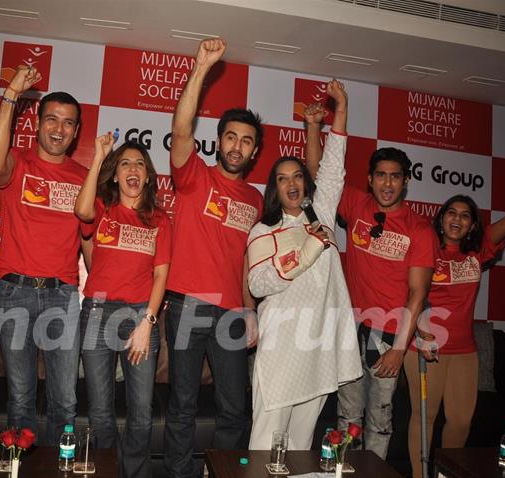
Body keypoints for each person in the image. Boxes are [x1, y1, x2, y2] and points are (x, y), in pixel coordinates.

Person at [405, 163, 505, 478]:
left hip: (465, 350)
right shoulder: (426, 247)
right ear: (441, 219)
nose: (458, 219)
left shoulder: (477, 252)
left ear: (471, 226)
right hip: (426, 346)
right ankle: (418, 475)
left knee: (461, 421)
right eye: (452, 212)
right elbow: (413, 293)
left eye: (466, 215)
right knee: (425, 418)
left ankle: (445, 472)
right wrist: (422, 331)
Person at [306, 115, 436, 460]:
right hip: (350, 328)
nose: (387, 183)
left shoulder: (419, 229)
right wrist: (312, 128)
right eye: (381, 175)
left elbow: (418, 294)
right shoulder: (357, 205)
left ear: (406, 181)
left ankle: (372, 471)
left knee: (379, 419)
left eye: (395, 176)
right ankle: (345, 469)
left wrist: (399, 348)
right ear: (370, 179)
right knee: (348, 414)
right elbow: (321, 173)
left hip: (389, 334)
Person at [164, 38, 262, 478]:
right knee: (182, 405)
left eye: (246, 141)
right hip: (185, 302)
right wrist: (201, 68)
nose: (238, 146)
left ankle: (219, 473)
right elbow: (181, 130)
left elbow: (249, 263)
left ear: (255, 152)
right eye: (231, 137)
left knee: (234, 410)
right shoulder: (194, 177)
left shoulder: (258, 200)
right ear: (219, 141)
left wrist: (252, 311)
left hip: (232, 314)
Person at [246, 81, 361, 450]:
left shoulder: (321, 213)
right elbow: (259, 284)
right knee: (266, 441)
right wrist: (306, 251)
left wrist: (339, 109)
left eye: (297, 175)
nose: (292, 183)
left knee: (299, 444)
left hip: (318, 345)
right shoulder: (264, 230)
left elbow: (333, 167)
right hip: (282, 347)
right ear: (274, 189)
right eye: (282, 179)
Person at [0, 65, 87, 445]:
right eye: (52, 120)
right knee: (21, 398)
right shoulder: (18, 163)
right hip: (15, 291)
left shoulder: (83, 175)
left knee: (65, 400)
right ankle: (16, 468)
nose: (59, 129)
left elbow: (91, 240)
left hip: (62, 293)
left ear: (76, 132)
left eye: (68, 123)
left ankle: (60, 469)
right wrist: (13, 94)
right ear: (38, 124)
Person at [75, 134, 172, 478]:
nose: (133, 169)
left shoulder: (160, 220)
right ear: (115, 174)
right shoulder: (102, 209)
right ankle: (106, 472)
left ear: (148, 176)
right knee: (100, 412)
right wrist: (99, 157)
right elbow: (81, 210)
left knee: (142, 413)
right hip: (97, 314)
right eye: (125, 163)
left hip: (139, 318)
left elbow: (161, 276)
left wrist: (147, 322)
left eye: (140, 164)